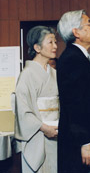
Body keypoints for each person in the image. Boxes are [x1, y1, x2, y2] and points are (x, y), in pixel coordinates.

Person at [56, 9, 90, 173]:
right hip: (77, 143)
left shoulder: (79, 57)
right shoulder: (72, 59)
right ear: (76, 32)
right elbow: (74, 104)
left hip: (85, 138)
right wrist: (85, 142)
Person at [14, 26, 59, 172]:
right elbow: (23, 110)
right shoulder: (27, 75)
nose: (55, 46)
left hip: (56, 133)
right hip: (38, 134)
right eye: (50, 42)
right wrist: (44, 128)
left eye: (55, 42)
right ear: (37, 47)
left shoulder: (54, 73)